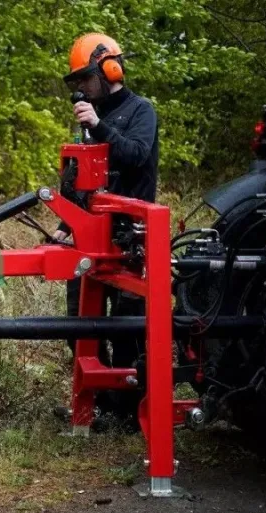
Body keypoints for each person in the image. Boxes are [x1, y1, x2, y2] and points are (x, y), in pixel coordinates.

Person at [55, 33, 160, 432]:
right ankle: (99, 404)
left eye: (86, 77)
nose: (82, 86)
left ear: (109, 70)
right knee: (79, 325)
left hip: (128, 240)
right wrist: (67, 223)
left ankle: (131, 412)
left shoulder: (141, 111)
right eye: (77, 80)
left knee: (129, 330)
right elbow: (80, 180)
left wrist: (98, 127)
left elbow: (135, 155)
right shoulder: (90, 117)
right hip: (89, 237)